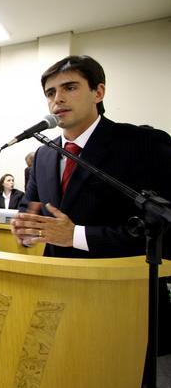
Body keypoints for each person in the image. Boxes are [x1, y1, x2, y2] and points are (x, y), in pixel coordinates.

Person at [12, 55, 171, 259]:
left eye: (70, 87)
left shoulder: (144, 143)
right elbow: (29, 209)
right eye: (50, 93)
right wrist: (25, 229)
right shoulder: (43, 155)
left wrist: (76, 236)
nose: (58, 99)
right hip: (53, 273)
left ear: (98, 92)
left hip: (119, 275)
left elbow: (163, 225)